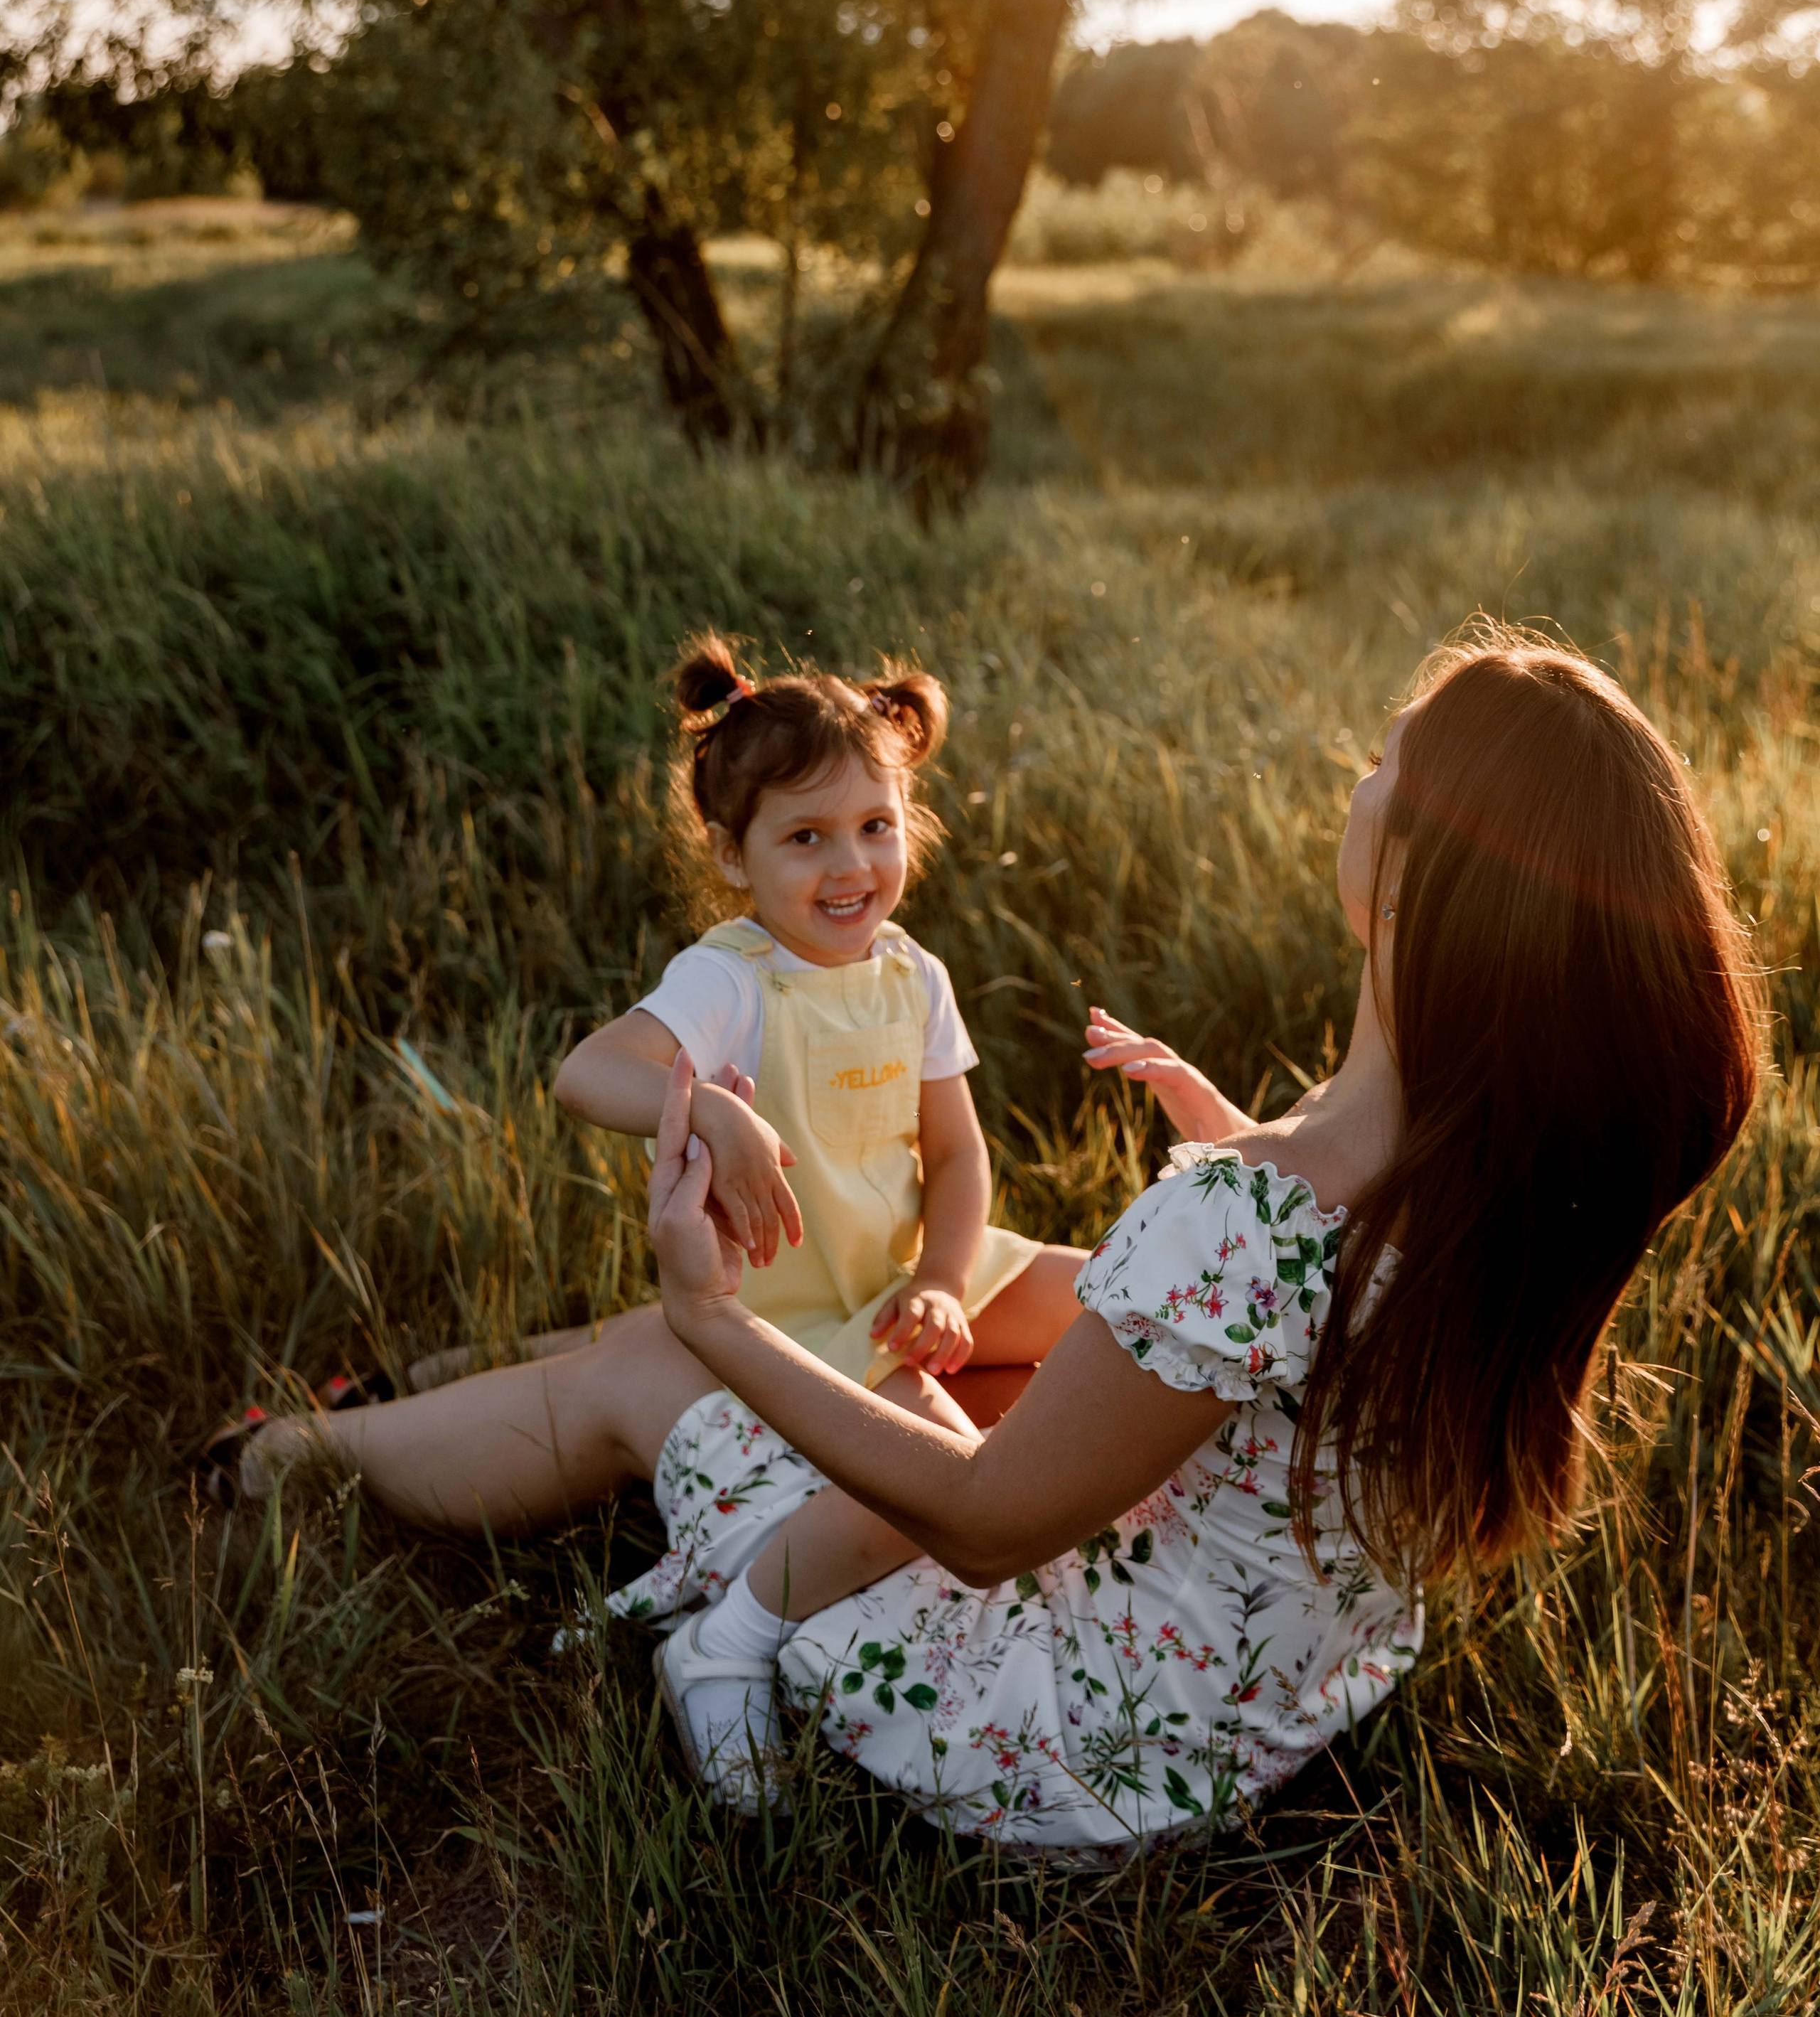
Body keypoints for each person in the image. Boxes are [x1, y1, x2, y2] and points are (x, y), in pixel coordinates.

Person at [629, 628, 1762, 1846]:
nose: (1358, 782)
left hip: (1068, 1743)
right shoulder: (1498, 1164)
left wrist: (711, 1317)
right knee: (975, 1371)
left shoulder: (1250, 1213)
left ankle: (702, 1633)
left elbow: (983, 1522)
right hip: (1277, 1699)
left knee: (715, 1401)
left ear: (1418, 869)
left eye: (1382, 762)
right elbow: (1307, 1314)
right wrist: (1234, 1133)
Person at [211, 640, 1088, 1793]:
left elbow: (960, 1155)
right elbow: (587, 1073)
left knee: (1112, 1295)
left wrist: (942, 1277)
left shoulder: (910, 973)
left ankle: (422, 1375)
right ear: (732, 854)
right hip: (797, 1316)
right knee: (935, 1458)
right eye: (806, 838)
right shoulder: (735, 974)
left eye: (875, 826)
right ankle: (326, 1453)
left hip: (895, 1276)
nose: (850, 866)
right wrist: (710, 1109)